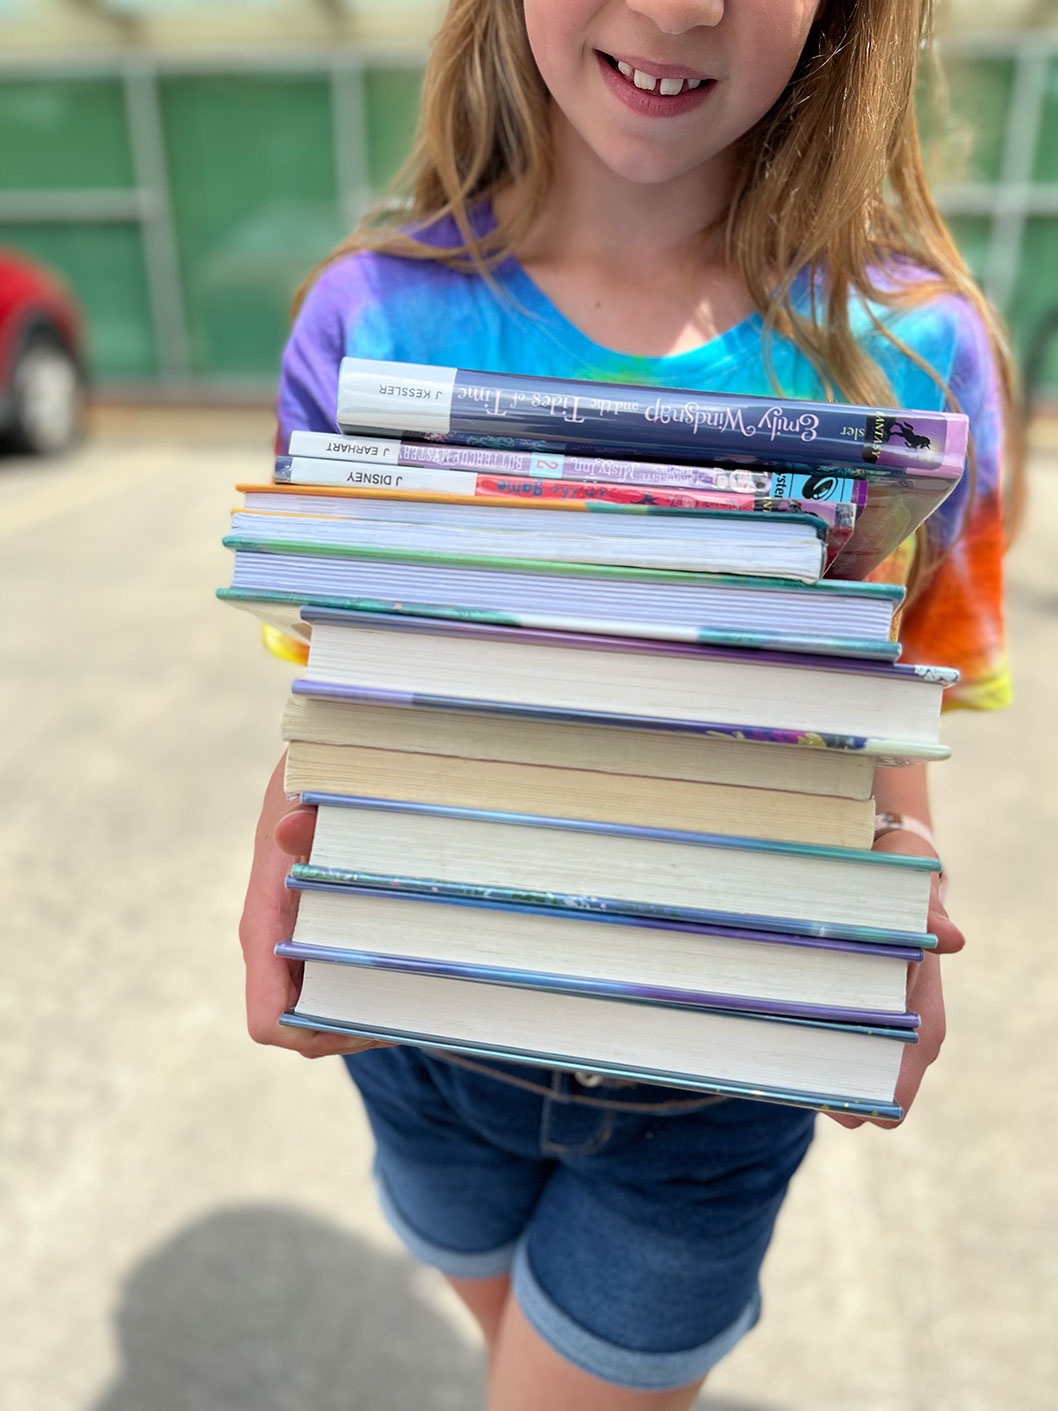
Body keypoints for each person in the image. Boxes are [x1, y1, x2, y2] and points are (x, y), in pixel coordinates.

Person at [239, 2, 1022, 1406]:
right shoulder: (367, 319)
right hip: (423, 1037)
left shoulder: (919, 353)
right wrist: (284, 869)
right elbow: (344, 685)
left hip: (715, 1083)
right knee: (515, 1361)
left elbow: (888, 711)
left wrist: (897, 868)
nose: (678, 10)